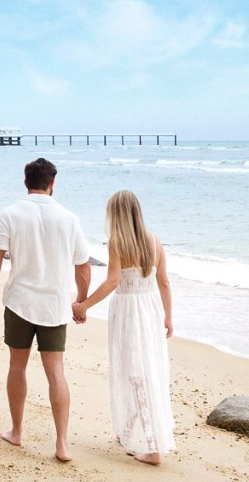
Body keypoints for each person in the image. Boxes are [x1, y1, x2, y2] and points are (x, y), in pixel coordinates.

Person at [0, 157, 91, 462]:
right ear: (52, 183)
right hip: (54, 305)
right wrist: (80, 301)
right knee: (56, 372)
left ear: (26, 182)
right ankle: (62, 444)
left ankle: (17, 432)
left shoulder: (11, 213)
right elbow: (82, 265)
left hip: (19, 302)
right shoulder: (69, 218)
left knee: (18, 366)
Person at [71, 190, 175, 465]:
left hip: (129, 311)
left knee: (135, 371)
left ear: (115, 215)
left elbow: (112, 282)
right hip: (150, 308)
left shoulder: (117, 242)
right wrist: (168, 316)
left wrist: (84, 305)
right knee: (144, 368)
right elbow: (163, 281)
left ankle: (152, 446)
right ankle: (129, 430)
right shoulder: (156, 241)